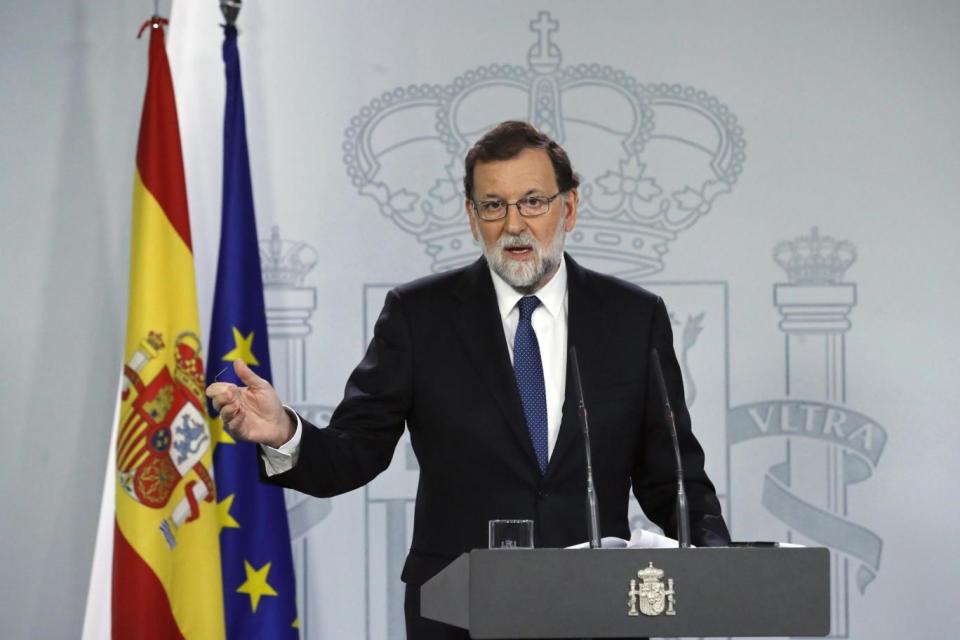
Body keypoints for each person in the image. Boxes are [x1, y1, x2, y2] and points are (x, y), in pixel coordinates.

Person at [207, 120, 730, 639]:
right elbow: (354, 451)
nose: (514, 224)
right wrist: (284, 434)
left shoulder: (632, 318)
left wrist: (720, 568)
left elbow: (674, 475)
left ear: (568, 208)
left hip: (597, 613)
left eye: (532, 202)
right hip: (459, 613)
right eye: (493, 206)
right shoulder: (419, 316)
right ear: (471, 217)